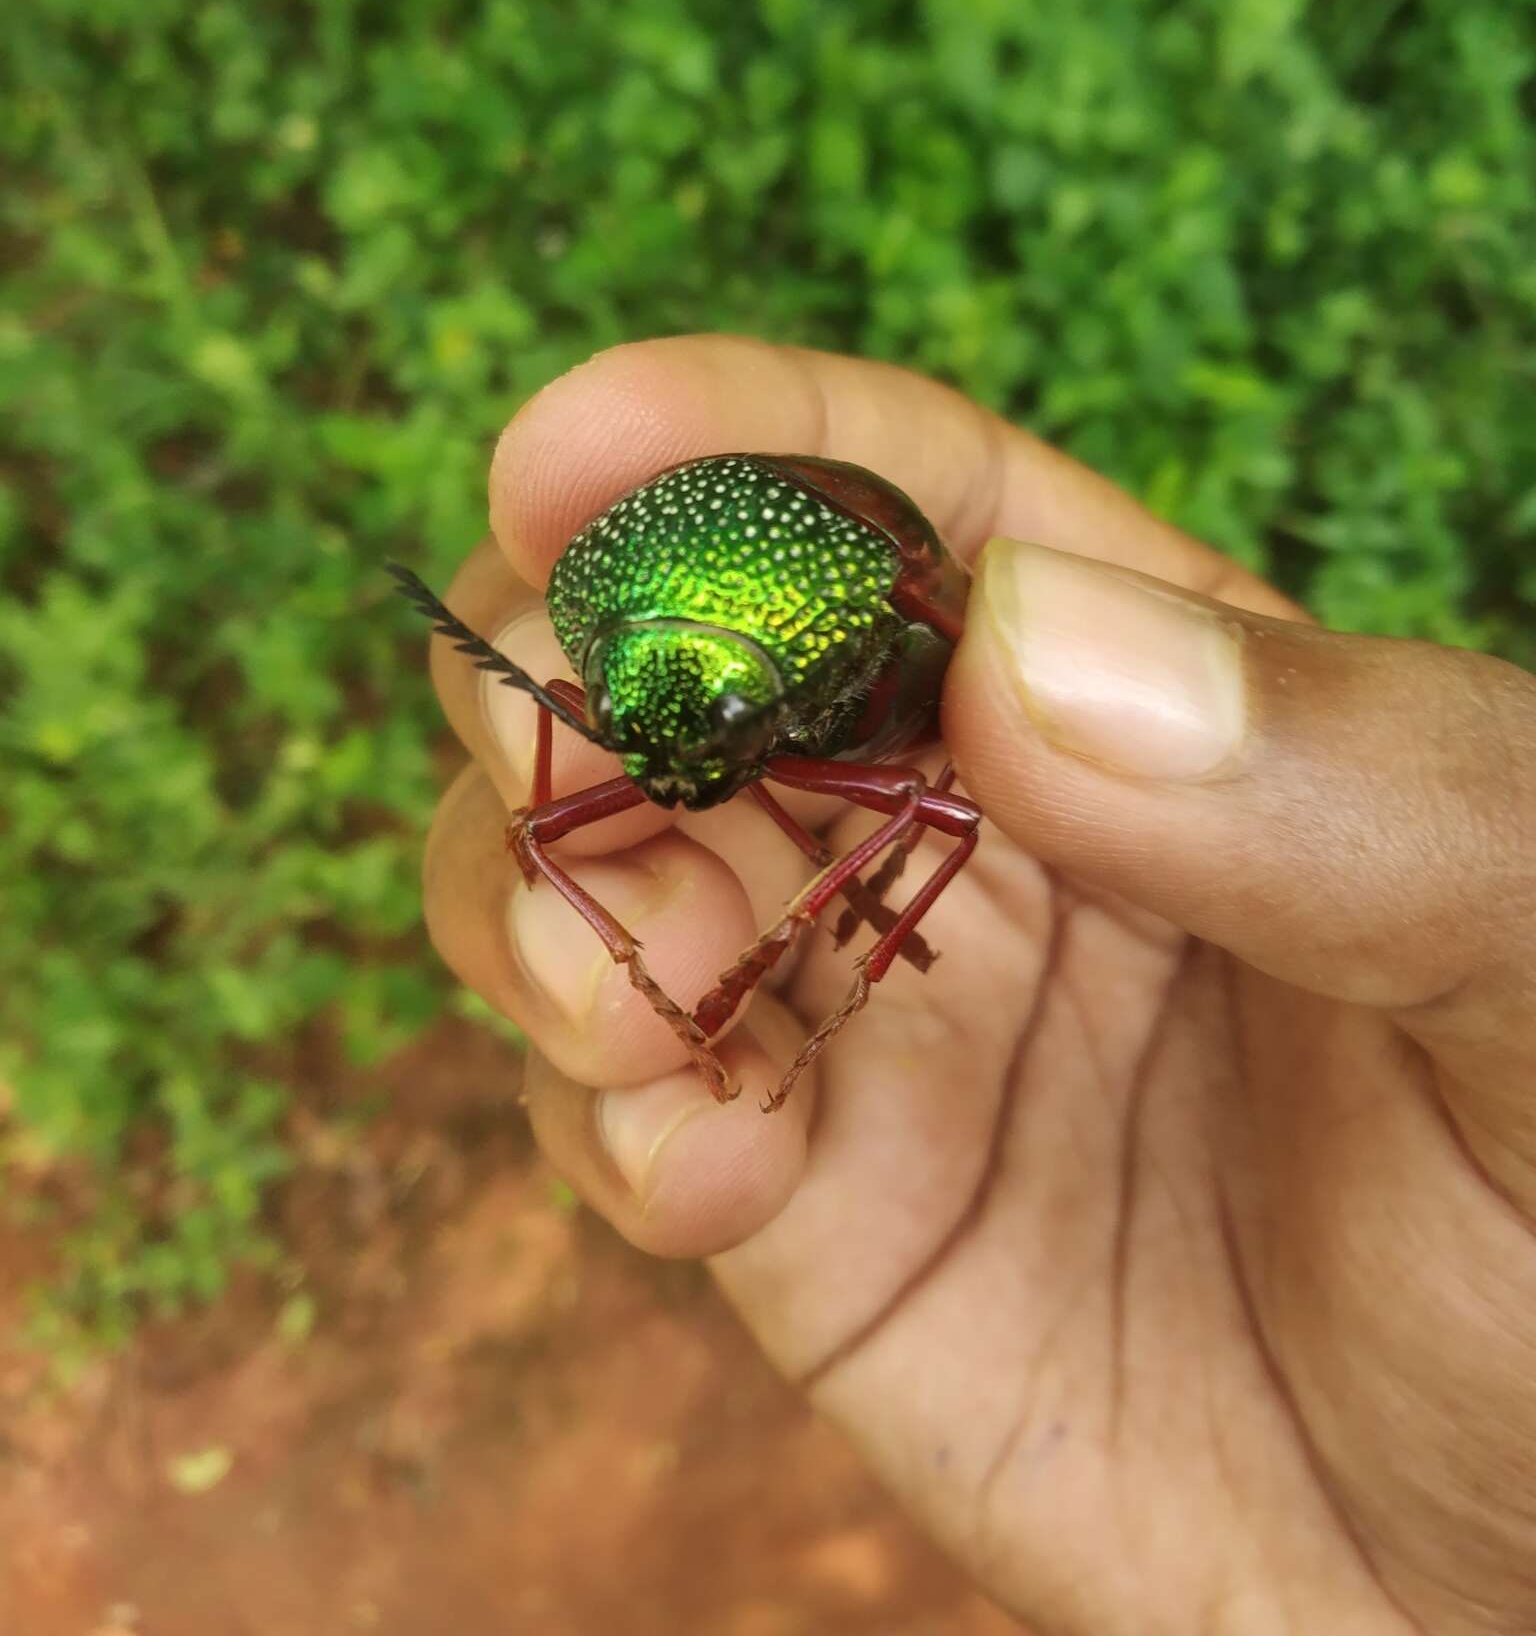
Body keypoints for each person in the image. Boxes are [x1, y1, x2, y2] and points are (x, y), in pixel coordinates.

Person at [418, 335, 1536, 1633]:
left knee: (918, 815)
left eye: (704, 761)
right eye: (638, 751)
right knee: (567, 832)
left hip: (874, 665)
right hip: (767, 648)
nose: (669, 792)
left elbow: (928, 792)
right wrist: (637, 944)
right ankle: (696, 942)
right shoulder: (634, 656)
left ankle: (801, 939)